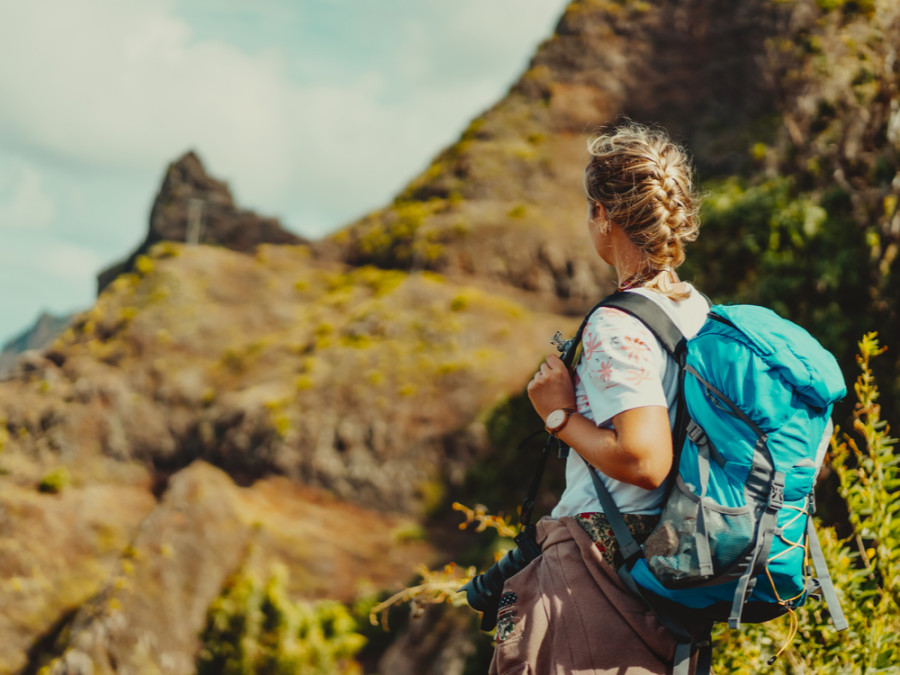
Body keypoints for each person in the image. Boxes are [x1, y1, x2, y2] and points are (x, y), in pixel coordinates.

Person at [489, 121, 709, 674]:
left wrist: (558, 415)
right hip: (672, 569)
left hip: (600, 571)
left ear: (604, 215)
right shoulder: (698, 311)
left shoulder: (617, 322)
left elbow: (645, 459)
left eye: (590, 208)